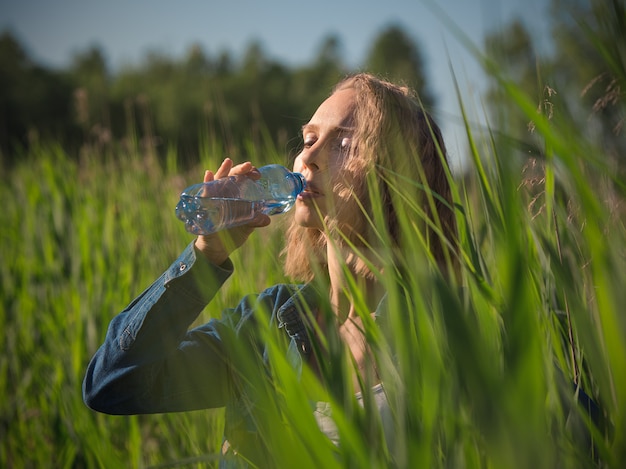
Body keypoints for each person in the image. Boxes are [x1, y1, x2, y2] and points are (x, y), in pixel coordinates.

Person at [83, 73, 458, 467]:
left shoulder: (436, 332)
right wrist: (206, 256)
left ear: (401, 172)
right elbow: (113, 384)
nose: (309, 157)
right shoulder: (266, 327)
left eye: (346, 143)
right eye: (310, 139)